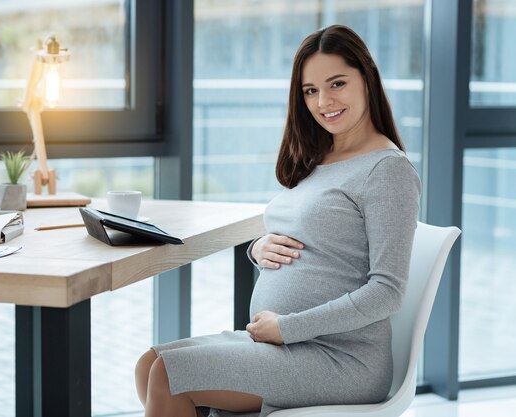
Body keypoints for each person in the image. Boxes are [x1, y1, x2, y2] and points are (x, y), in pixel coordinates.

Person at [134, 24, 421, 417]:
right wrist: (258, 247)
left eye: (337, 84)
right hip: (289, 346)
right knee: (148, 365)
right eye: (311, 90)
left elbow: (387, 291)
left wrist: (288, 327)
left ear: (367, 79)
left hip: (341, 359)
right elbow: (311, 238)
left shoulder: (388, 170)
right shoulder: (321, 159)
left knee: (169, 375)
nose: (324, 101)